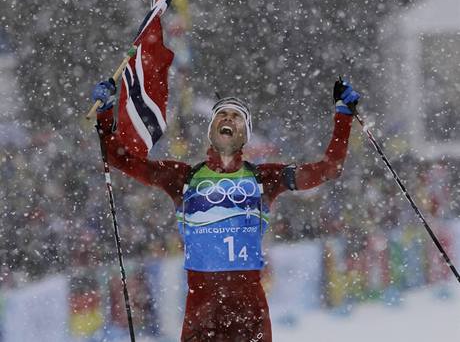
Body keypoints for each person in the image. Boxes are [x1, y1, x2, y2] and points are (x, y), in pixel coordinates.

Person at [92, 78, 360, 342]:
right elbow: (119, 159)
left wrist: (344, 117)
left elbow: (329, 169)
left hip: (250, 316)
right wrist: (105, 114)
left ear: (245, 133)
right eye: (221, 114)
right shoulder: (183, 178)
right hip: (201, 317)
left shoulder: (265, 179)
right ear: (211, 129)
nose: (228, 119)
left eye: (236, 116)